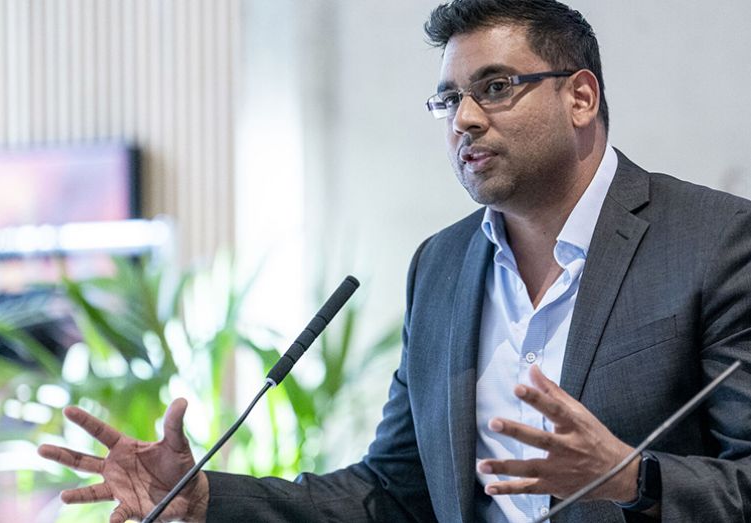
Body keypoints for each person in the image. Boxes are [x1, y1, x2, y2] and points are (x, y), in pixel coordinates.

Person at [38, 1, 751, 521]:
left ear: (580, 95)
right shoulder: (440, 267)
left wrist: (633, 480)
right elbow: (392, 490)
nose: (464, 118)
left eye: (495, 88)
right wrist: (205, 495)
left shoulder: (711, 241)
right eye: (446, 99)